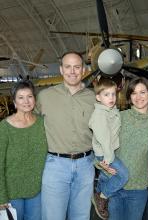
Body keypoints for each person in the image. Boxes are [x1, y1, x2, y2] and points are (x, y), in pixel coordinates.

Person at [35, 51, 96, 220]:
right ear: (61, 70)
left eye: (77, 67)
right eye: (68, 67)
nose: (72, 71)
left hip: (85, 165)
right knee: (53, 216)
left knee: (81, 216)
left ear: (84, 70)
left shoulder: (93, 98)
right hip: (55, 166)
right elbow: (30, 125)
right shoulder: (45, 96)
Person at [108, 77, 148, 220]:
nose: (138, 97)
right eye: (134, 93)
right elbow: (101, 142)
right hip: (114, 184)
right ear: (129, 96)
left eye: (142, 92)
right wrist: (101, 164)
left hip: (138, 188)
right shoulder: (118, 117)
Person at [0, 80, 47, 220]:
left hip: (37, 190)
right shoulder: (4, 127)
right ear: (14, 102)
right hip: (12, 192)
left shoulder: (42, 123)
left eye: (30, 96)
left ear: (34, 99)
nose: (26, 101)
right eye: (21, 97)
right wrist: (1, 196)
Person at [89, 78, 129, 219]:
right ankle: (101, 197)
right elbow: (104, 139)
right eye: (106, 95)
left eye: (113, 94)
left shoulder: (109, 110)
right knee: (123, 176)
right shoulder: (100, 114)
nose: (111, 98)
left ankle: (99, 195)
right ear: (98, 97)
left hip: (107, 152)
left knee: (106, 178)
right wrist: (107, 160)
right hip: (106, 154)